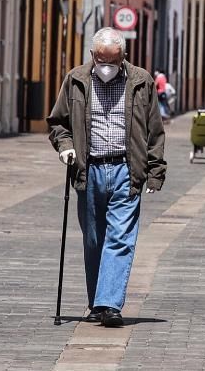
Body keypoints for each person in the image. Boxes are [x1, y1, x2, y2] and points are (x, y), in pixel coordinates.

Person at [47, 27, 166, 327]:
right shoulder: (75, 80)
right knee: (94, 239)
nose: (106, 67)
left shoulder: (141, 81)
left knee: (120, 238)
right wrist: (66, 148)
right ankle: (97, 302)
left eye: (112, 61)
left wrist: (155, 170)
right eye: (101, 60)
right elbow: (58, 123)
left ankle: (109, 304)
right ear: (92, 56)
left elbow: (154, 130)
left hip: (127, 169)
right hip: (89, 171)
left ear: (124, 57)